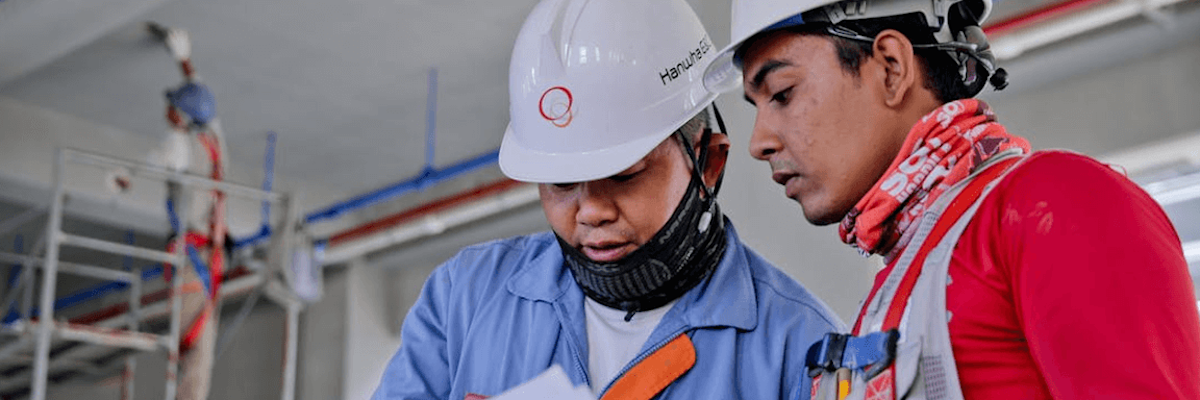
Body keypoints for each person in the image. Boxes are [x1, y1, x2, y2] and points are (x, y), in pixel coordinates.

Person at [703, 0, 1200, 398]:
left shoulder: (1055, 204)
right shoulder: (899, 285)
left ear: (892, 67)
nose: (759, 141)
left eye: (782, 93)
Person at [371, 0, 843, 399]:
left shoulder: (801, 349)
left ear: (709, 163)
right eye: (560, 184)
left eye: (624, 176)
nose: (591, 212)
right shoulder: (465, 300)